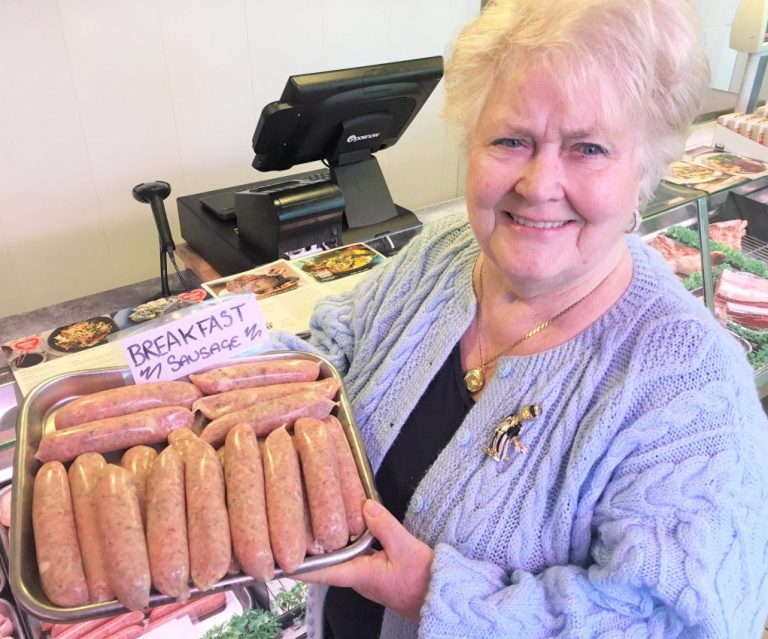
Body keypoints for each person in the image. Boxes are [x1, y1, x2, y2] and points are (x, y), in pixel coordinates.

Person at [272, 0, 768, 636]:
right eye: (511, 140)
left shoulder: (694, 390)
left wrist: (435, 595)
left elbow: (682, 624)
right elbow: (338, 340)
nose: (538, 184)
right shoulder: (445, 249)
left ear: (644, 169)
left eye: (588, 148)